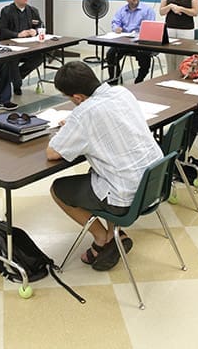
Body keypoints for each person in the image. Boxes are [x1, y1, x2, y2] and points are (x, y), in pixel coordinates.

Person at [46, 61, 163, 271]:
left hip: (126, 198)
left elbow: (53, 153)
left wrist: (75, 122)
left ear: (77, 98)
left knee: (58, 189)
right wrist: (76, 122)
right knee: (104, 171)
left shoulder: (84, 113)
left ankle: (103, 239)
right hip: (154, 185)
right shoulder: (121, 92)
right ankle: (117, 234)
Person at [0, 0, 45, 95]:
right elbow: (3, 30)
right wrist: (17, 34)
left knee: (39, 57)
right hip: (12, 47)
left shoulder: (33, 10)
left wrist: (36, 31)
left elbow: (41, 25)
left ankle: (16, 78)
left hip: (29, 46)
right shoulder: (6, 11)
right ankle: (17, 85)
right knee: (13, 59)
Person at [105, 0, 157, 84]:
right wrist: (116, 28)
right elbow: (115, 22)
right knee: (111, 54)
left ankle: (139, 80)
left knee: (144, 55)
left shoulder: (147, 10)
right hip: (124, 41)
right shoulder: (122, 10)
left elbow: (150, 27)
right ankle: (114, 78)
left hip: (140, 42)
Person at [159, 0, 198, 70]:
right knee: (170, 59)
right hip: (170, 28)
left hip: (186, 29)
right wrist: (170, 6)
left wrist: (181, 9)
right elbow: (161, 11)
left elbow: (195, 12)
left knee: (184, 60)